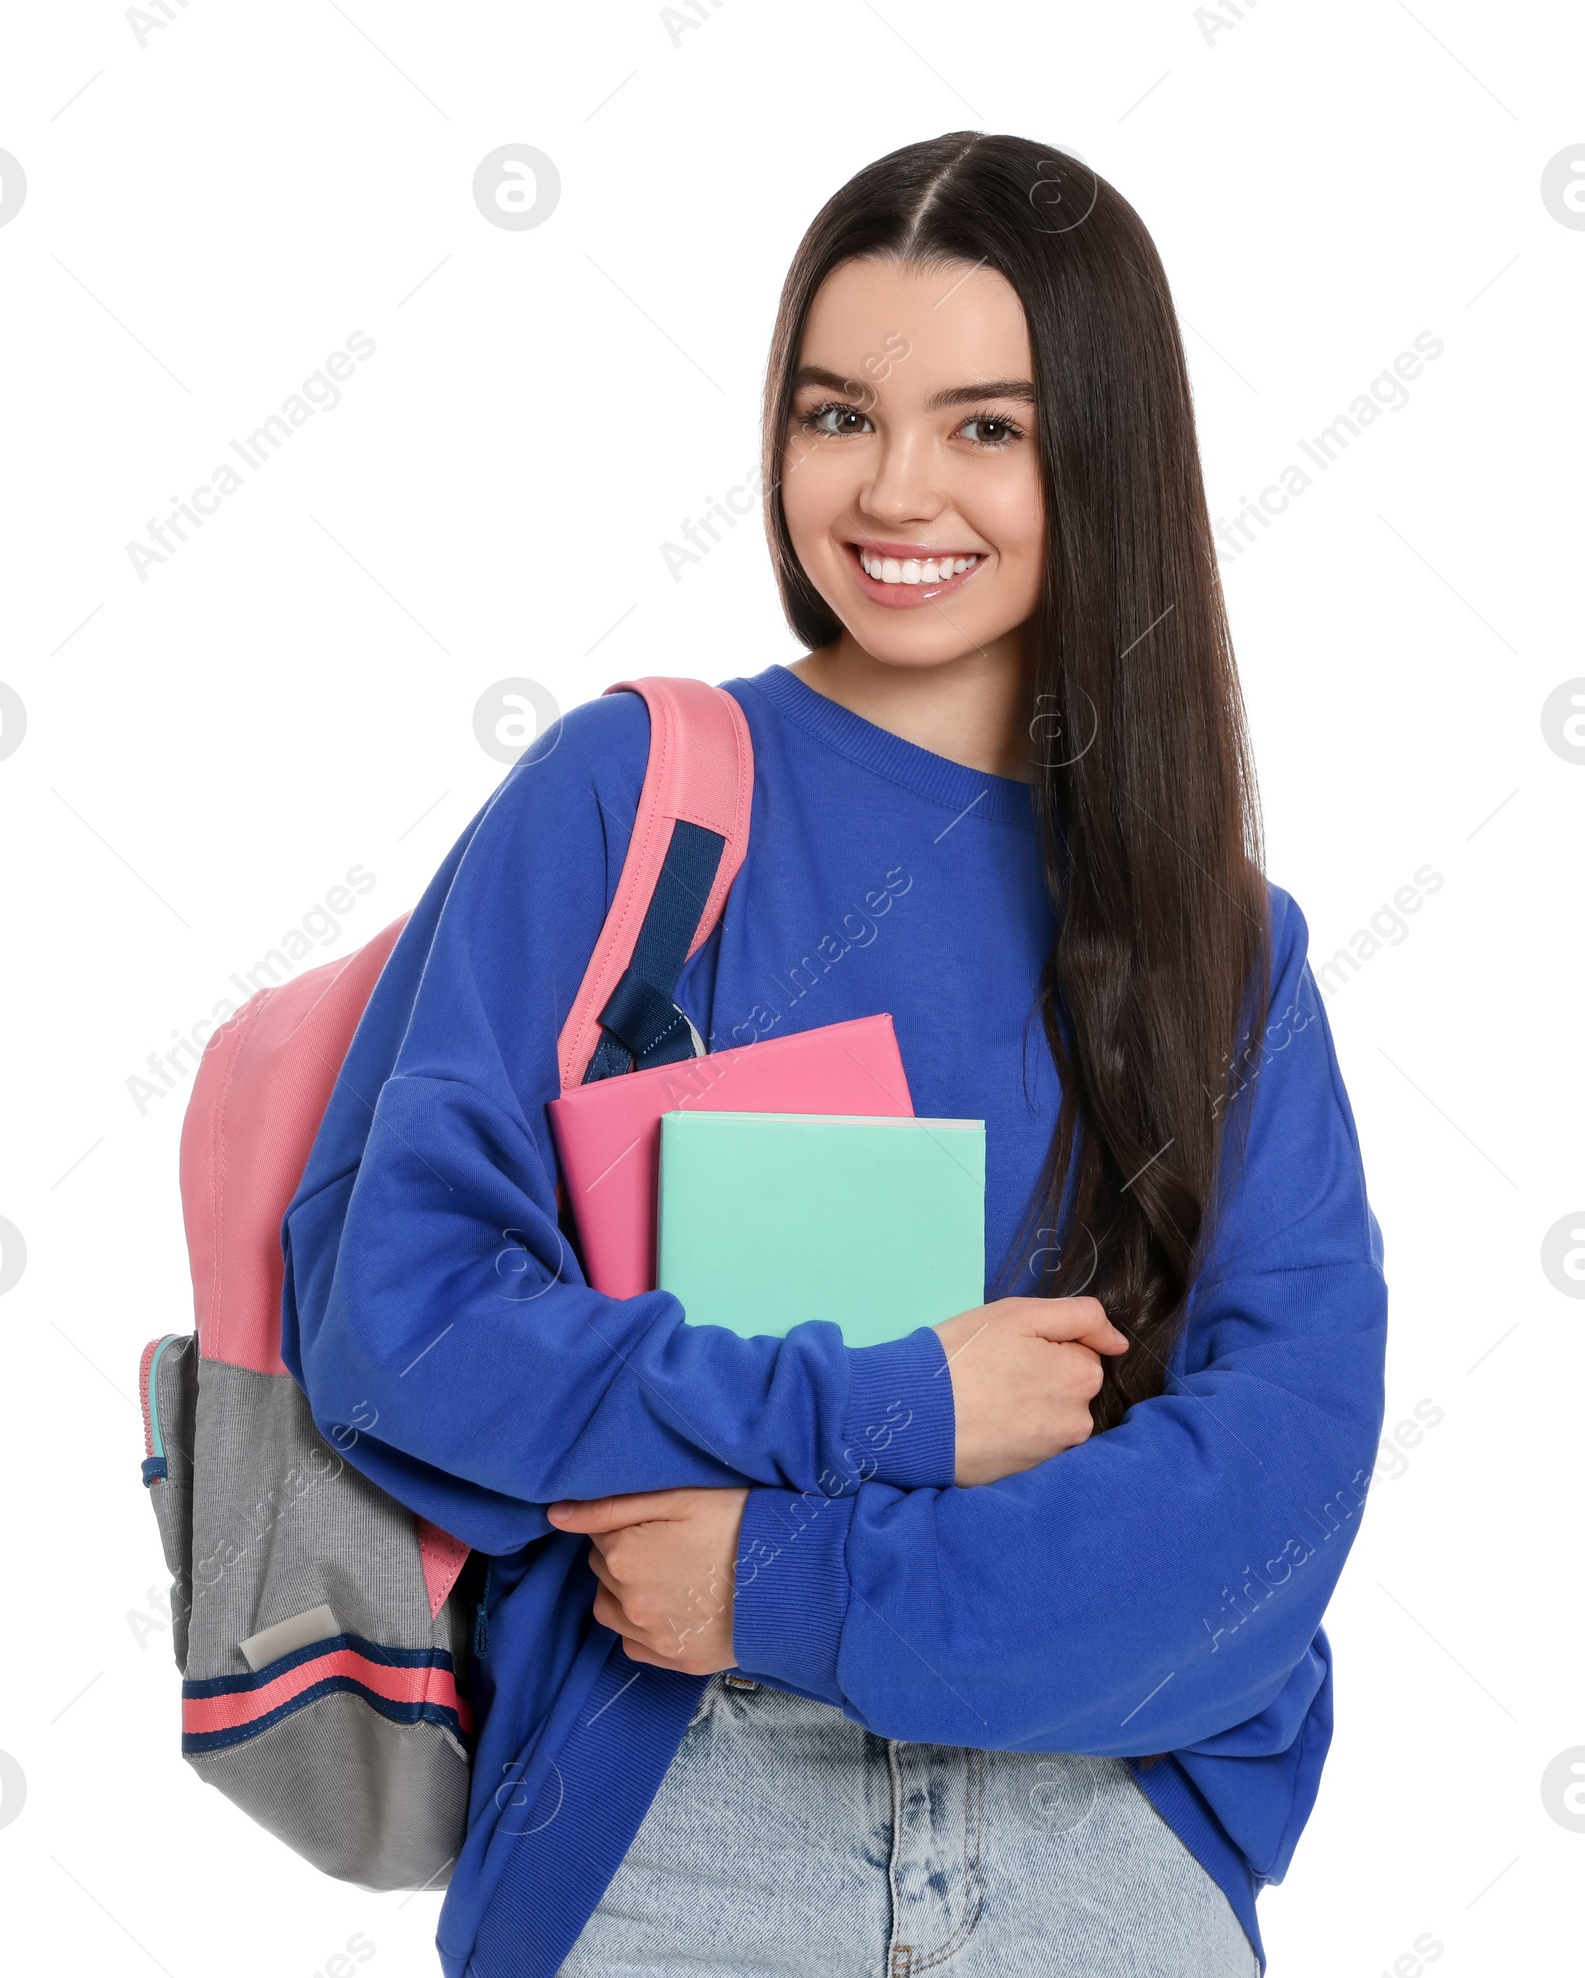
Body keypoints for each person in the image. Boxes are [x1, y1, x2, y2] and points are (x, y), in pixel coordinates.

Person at [283, 131, 1387, 1978]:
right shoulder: (636, 804)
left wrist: (788, 1574)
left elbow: (1267, 1505)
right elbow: (399, 1324)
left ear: (1100, 453)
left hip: (1095, 1846)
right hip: (673, 1824)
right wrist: (894, 1409)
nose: (893, 489)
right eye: (835, 412)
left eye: (986, 427)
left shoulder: (1229, 944)